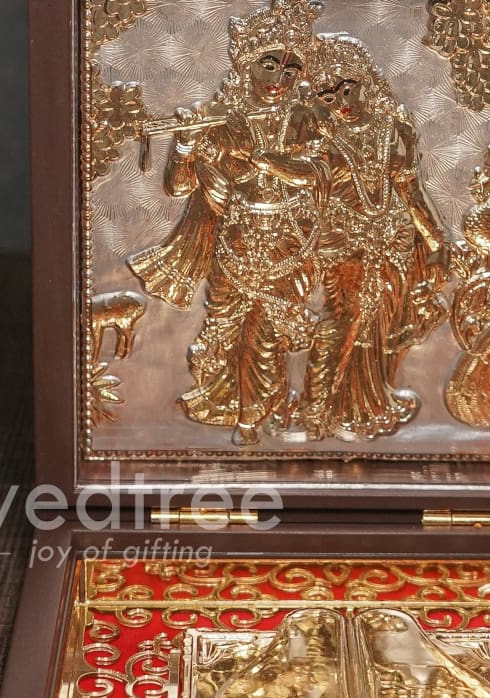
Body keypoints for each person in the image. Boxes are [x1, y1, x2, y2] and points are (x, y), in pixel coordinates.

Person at [128, 0, 329, 446]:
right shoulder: (220, 120)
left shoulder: (304, 119)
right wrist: (186, 145)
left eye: (291, 70)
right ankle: (235, 406)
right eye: (269, 65)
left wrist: (269, 162)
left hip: (286, 245)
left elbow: (319, 172)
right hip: (234, 246)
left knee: (265, 336)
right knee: (229, 330)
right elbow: (179, 187)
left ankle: (255, 418)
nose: (280, 79)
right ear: (246, 65)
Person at [299, 34, 450, 442]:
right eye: (329, 97)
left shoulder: (394, 128)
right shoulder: (319, 137)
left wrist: (435, 242)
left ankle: (369, 403)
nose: (342, 102)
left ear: (364, 80)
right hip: (343, 240)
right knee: (344, 318)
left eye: (347, 88)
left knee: (385, 321)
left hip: (394, 241)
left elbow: (411, 190)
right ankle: (318, 406)